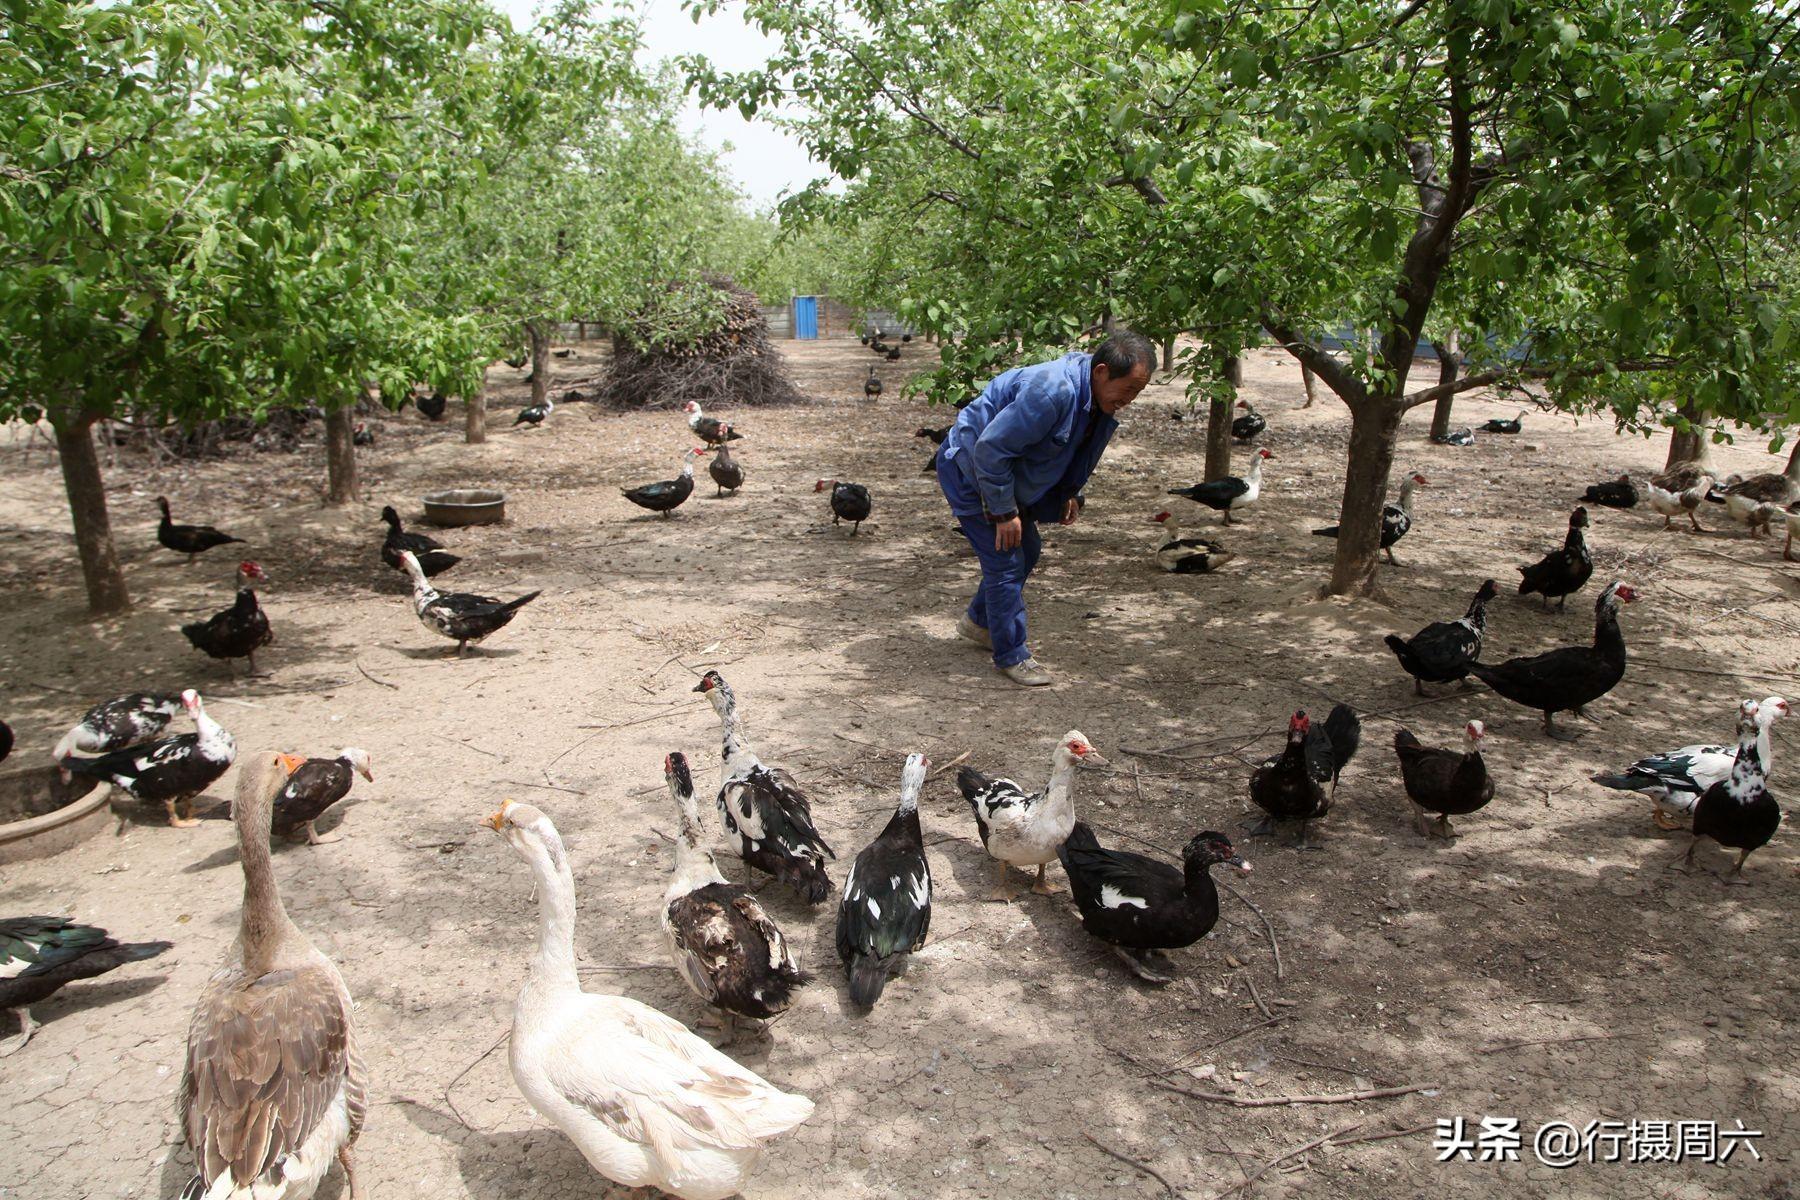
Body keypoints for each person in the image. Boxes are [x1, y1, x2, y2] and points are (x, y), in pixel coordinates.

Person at [936, 330, 1155, 685]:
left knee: (1028, 549)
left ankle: (979, 623)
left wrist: (1068, 493)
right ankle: (1012, 654)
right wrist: (1004, 512)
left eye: (1137, 392)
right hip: (971, 468)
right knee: (1006, 557)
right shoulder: (1053, 390)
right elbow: (990, 451)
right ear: (1101, 372)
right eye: (1128, 389)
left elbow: (1065, 450)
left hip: (998, 471)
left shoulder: (1094, 398)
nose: (1129, 400)